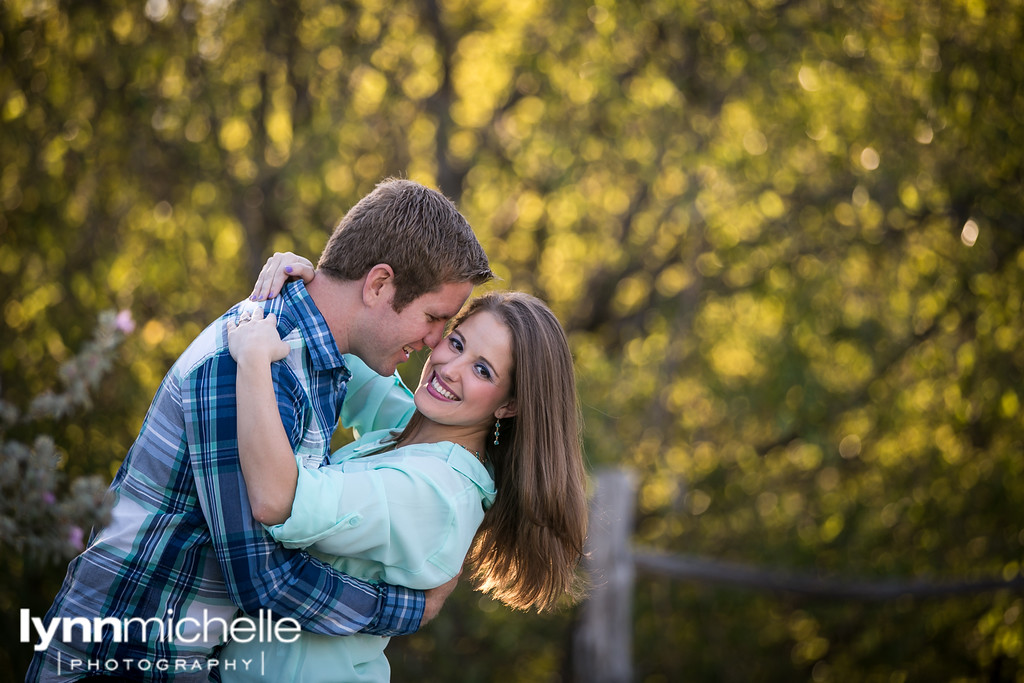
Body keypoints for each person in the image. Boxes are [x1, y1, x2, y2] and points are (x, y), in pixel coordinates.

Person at [26, 179, 493, 682]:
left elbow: (437, 434)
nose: (433, 342)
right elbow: (263, 580)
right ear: (378, 284)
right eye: (433, 318)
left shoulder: (326, 361)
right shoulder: (251, 364)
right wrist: (409, 609)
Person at [219, 285, 588, 681]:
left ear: (509, 405)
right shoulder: (420, 429)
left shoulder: (436, 492)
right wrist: (307, 279)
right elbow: (351, 339)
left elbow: (279, 499)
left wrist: (254, 359)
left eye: (483, 370)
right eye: (457, 343)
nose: (450, 369)